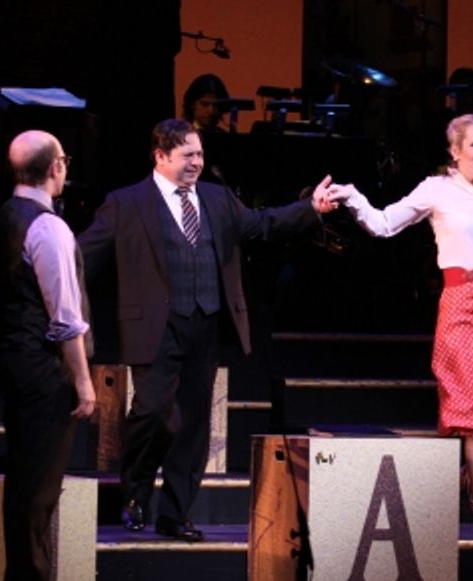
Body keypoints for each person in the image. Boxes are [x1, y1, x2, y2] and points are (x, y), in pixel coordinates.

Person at [325, 113, 473, 570]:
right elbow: (383, 224)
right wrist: (352, 196)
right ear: (455, 151)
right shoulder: (435, 190)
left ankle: (470, 478)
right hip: (460, 305)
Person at [80, 119, 333, 542]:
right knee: (153, 413)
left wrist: (310, 209)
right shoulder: (126, 203)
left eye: (200, 153)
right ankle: (135, 492)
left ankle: (175, 513)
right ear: (161, 157)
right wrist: (44, 267)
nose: (197, 162)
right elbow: (83, 255)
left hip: (206, 322)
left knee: (194, 423)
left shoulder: (217, 198)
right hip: (155, 326)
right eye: (188, 155)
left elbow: (262, 224)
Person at [0, 130, 93, 581]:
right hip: (43, 367)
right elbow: (65, 316)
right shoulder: (48, 227)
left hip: (10, 358)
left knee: (25, 477)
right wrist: (84, 381)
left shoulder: (1, 218)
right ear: (55, 168)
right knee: (40, 484)